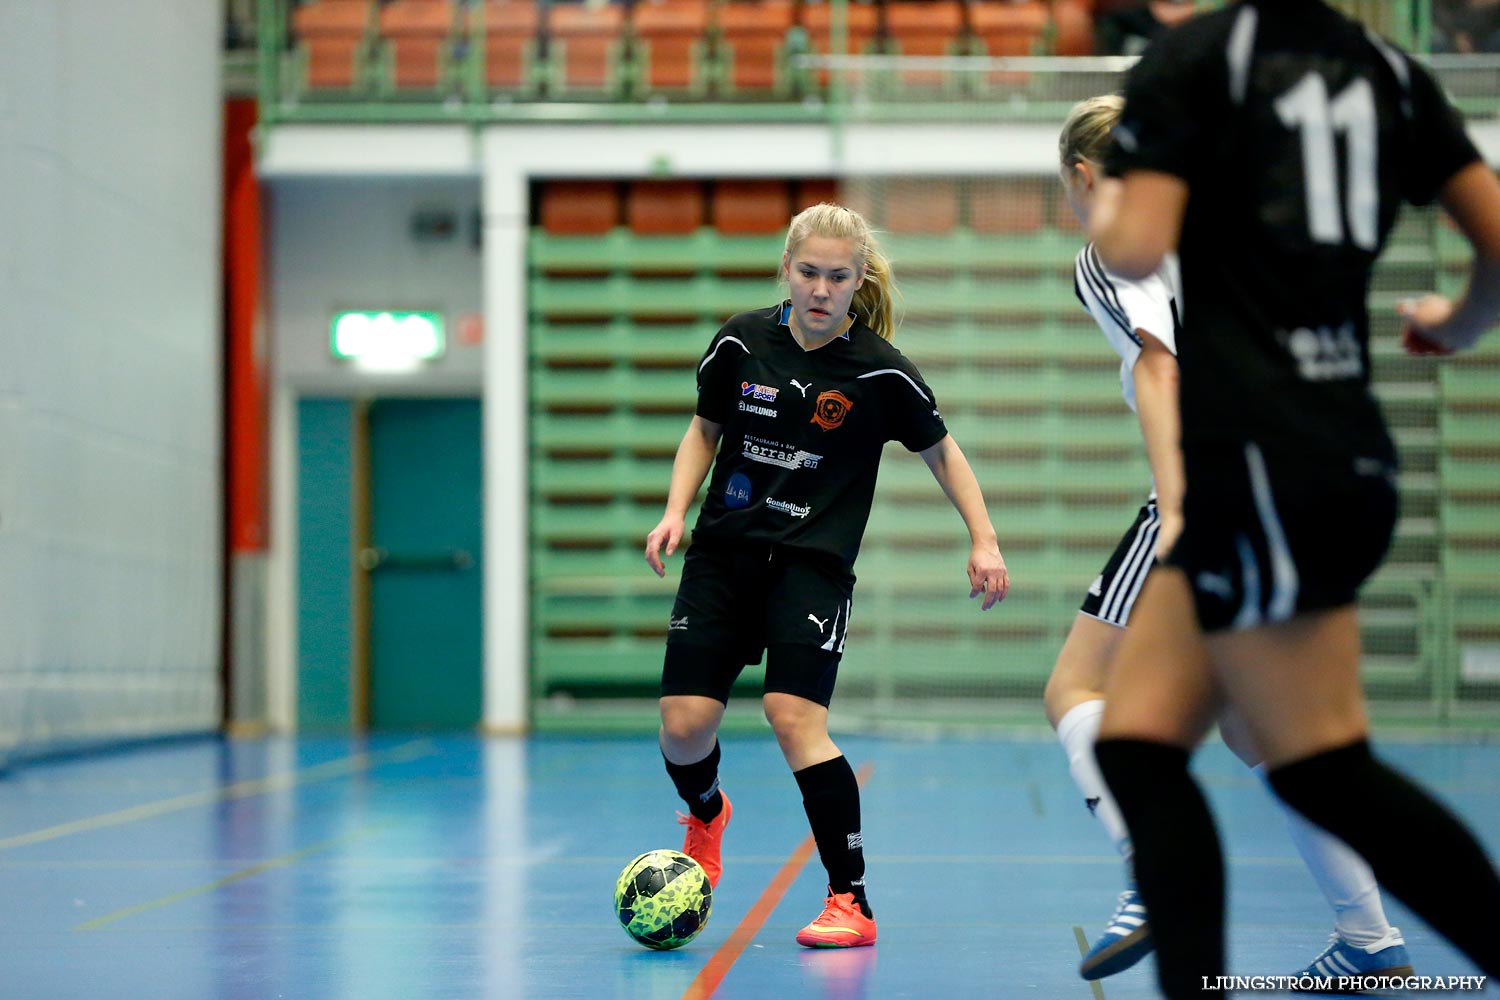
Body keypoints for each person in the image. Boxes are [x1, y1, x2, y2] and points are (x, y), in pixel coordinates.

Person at [1083, 2, 1500, 996]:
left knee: (1320, 764)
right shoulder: (1388, 69)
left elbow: (1134, 248)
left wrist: (1100, 196)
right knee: (1138, 747)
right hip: (1331, 449)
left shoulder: (1191, 61)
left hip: (1264, 456)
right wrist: (1460, 321)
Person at [1049, 94, 1413, 984]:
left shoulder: (1110, 249)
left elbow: (1159, 365)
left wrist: (1178, 509)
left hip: (1216, 482)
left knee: (1077, 685)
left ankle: (1149, 865)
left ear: (1087, 177)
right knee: (1263, 730)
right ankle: (1371, 938)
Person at [644, 202, 1010, 948]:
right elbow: (704, 430)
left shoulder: (880, 372)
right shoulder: (739, 344)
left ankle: (851, 901)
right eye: (808, 272)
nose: (820, 288)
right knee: (684, 729)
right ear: (787, 269)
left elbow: (943, 452)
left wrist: (985, 540)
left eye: (837, 276)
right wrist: (676, 510)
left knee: (793, 717)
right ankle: (708, 811)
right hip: (723, 557)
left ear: (858, 280)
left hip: (812, 568)